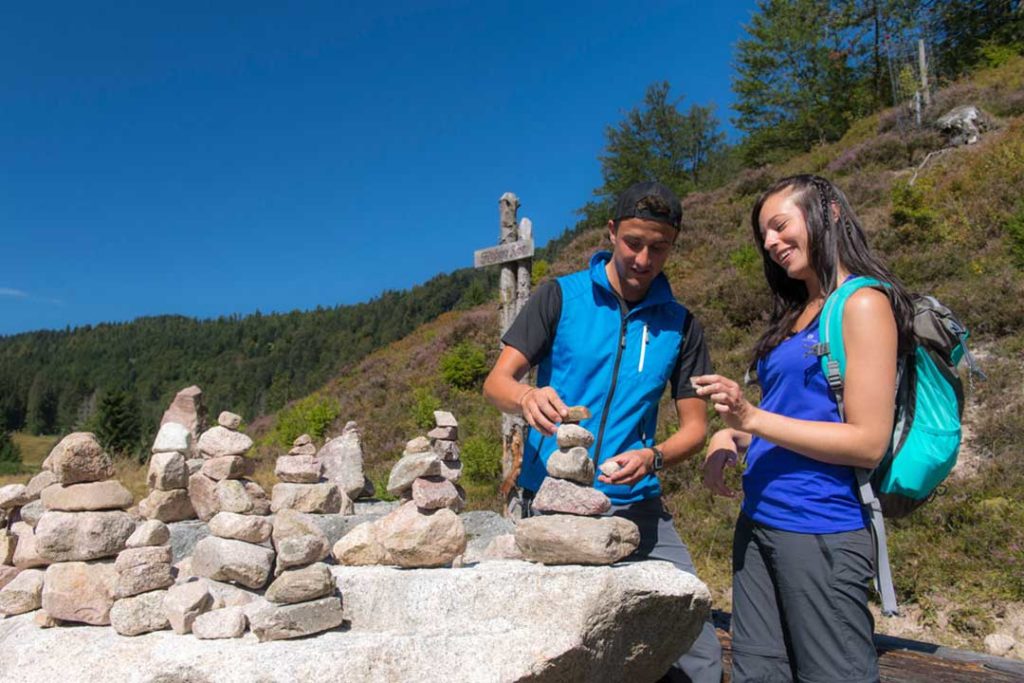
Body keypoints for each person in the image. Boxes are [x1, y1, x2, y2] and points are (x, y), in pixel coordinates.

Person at [483, 180, 723, 683]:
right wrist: (527, 397)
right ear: (611, 232)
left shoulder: (681, 325)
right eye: (633, 242)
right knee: (550, 642)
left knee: (696, 645)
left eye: (658, 248)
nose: (643, 258)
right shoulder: (560, 297)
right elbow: (498, 382)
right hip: (551, 500)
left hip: (638, 504)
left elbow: (695, 428)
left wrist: (653, 456)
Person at [694, 174, 914, 683]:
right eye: (764, 236)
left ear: (829, 213)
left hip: (819, 529)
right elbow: (791, 421)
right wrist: (729, 435)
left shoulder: (861, 303)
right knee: (759, 672)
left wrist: (751, 416)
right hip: (759, 522)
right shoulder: (798, 314)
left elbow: (867, 441)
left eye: (779, 225)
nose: (770, 243)